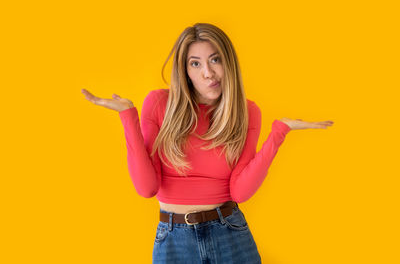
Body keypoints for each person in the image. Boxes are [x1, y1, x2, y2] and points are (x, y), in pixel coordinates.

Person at [81, 22, 334, 264]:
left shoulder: (245, 112)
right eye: (195, 63)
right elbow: (146, 187)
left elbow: (240, 192)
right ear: (185, 71)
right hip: (173, 240)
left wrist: (279, 132)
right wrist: (127, 116)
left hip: (230, 233)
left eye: (215, 59)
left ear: (228, 62)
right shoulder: (160, 105)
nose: (208, 73)